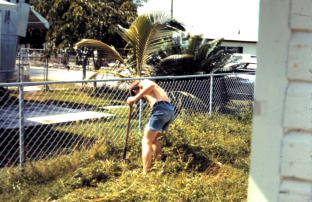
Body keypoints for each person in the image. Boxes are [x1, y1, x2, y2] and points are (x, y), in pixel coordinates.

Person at [127, 79, 175, 173]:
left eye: (135, 93)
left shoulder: (143, 82)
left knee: (146, 141)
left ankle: (146, 172)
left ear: (134, 90)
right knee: (153, 139)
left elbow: (151, 85)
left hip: (161, 109)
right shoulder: (154, 93)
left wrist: (134, 98)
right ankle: (159, 165)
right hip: (169, 111)